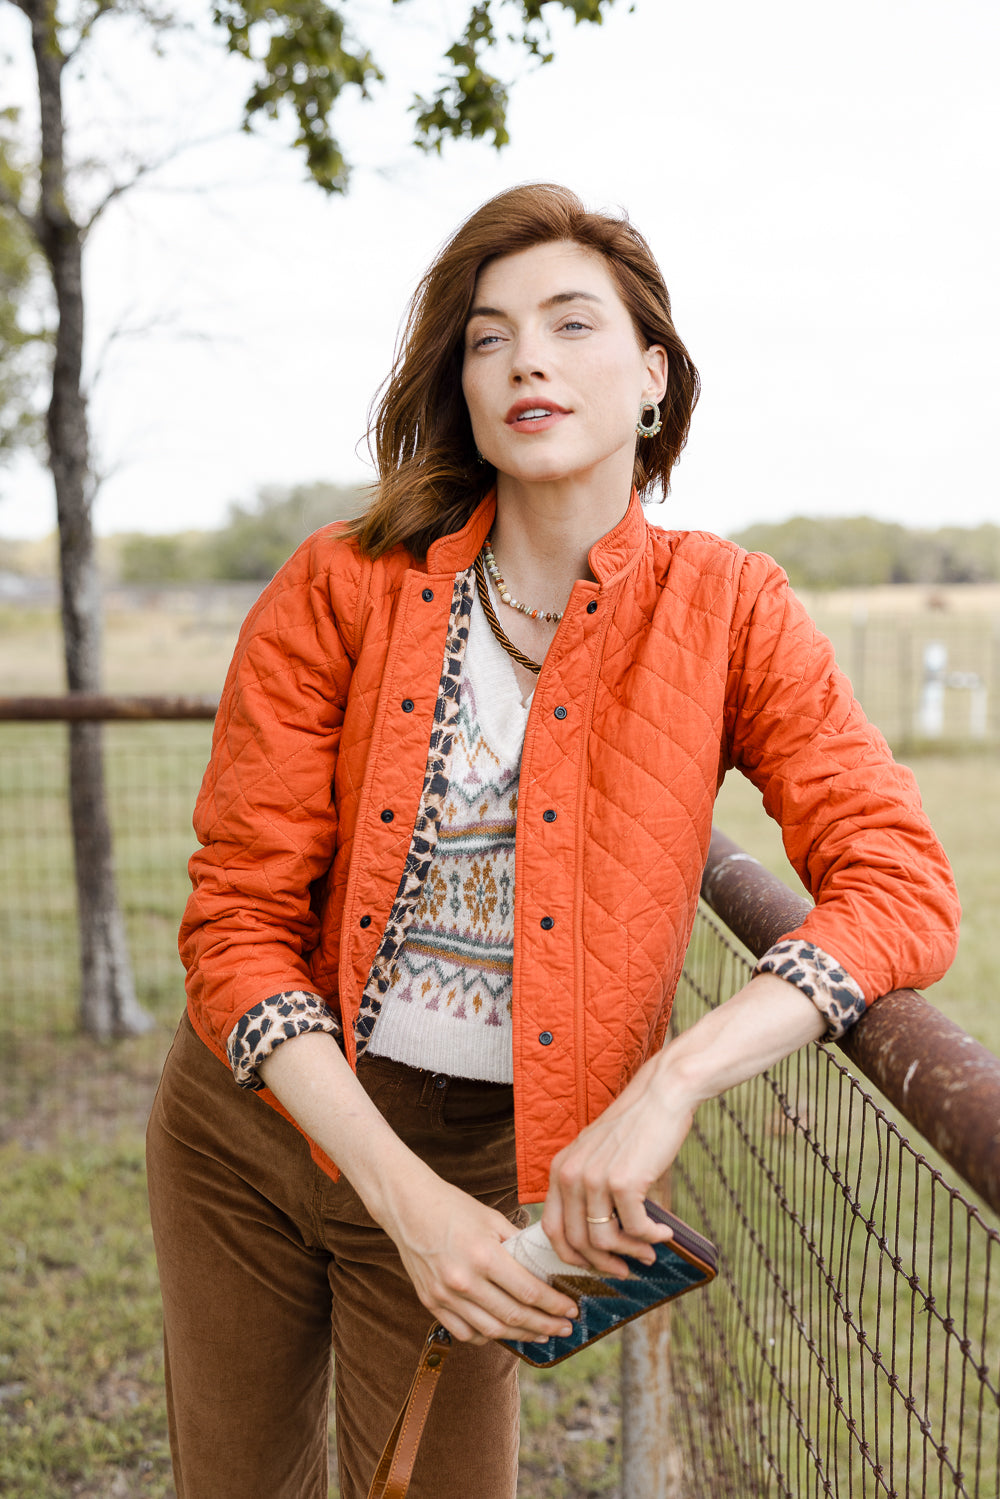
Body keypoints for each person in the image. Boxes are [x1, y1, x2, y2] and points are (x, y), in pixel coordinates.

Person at [145, 182, 960, 1499]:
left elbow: (901, 882)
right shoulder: (339, 585)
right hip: (253, 1127)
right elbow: (235, 929)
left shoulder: (730, 608)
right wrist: (401, 1203)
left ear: (652, 374)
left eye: (572, 322)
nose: (525, 354)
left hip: (488, 1165)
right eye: (487, 335)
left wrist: (672, 1083)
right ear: (461, 386)